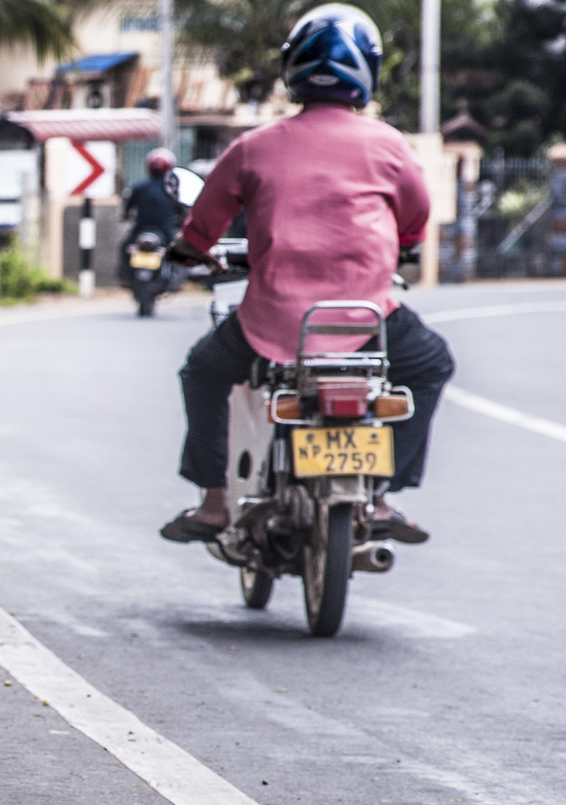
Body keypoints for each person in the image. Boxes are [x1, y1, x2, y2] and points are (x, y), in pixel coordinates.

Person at [158, 4, 455, 546]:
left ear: (291, 68)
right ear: (368, 70)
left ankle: (214, 502)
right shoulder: (389, 144)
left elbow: (205, 221)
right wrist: (403, 247)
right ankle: (381, 496)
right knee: (431, 363)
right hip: (367, 321)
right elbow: (415, 217)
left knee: (203, 372)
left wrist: (190, 250)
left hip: (274, 324)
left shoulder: (254, 147)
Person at [118, 148, 187, 283]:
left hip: (140, 229)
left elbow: (127, 208)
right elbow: (182, 212)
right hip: (165, 231)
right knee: (178, 250)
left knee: (125, 247)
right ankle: (176, 277)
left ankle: (124, 275)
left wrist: (125, 215)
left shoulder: (139, 187)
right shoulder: (173, 190)